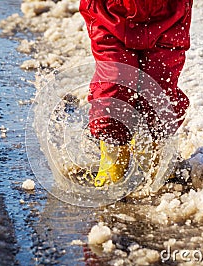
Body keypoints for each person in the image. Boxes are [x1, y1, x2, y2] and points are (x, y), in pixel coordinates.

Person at [79, 0, 193, 187]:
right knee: (114, 82)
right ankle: (113, 149)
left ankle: (158, 149)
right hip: (110, 12)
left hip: (168, 12)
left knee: (159, 87)